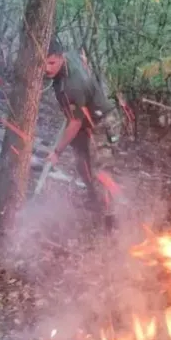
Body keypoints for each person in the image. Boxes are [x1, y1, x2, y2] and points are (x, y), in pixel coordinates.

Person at [43, 39, 123, 229]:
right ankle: (95, 199)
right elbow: (80, 56)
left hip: (102, 122)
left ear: (61, 58)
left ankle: (112, 219)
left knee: (101, 171)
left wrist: (56, 152)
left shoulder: (73, 85)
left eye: (52, 63)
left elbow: (74, 122)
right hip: (85, 120)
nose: (47, 68)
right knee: (82, 163)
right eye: (43, 63)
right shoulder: (69, 58)